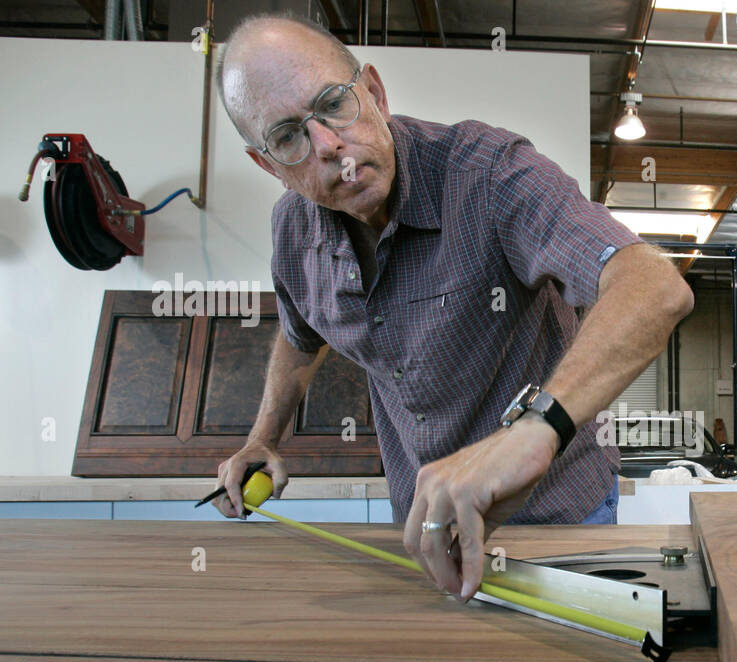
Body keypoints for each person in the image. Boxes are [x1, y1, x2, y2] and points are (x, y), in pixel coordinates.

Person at [209, 13, 693, 602]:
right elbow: (300, 335)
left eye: (335, 105)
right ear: (268, 165)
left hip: (560, 519)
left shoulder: (488, 173)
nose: (328, 144)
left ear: (376, 93)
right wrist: (265, 438)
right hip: (427, 528)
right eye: (287, 137)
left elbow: (652, 287)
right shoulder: (292, 232)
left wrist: (537, 430)